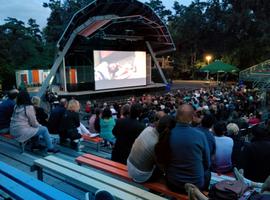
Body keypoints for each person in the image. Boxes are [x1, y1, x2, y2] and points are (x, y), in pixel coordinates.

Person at [166, 104, 211, 192]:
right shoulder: (200, 135)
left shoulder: (167, 134)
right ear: (192, 117)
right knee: (208, 174)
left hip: (173, 182)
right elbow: (207, 163)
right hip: (195, 185)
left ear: (176, 116)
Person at [127, 111, 168, 183]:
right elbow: (161, 166)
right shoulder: (156, 142)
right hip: (140, 175)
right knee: (164, 170)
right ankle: (157, 191)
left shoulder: (147, 129)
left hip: (129, 165)